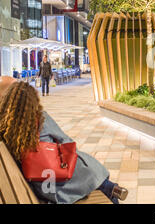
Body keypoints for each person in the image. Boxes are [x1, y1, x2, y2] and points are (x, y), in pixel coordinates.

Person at [0, 79, 128, 204]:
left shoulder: (6, 129)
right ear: (33, 101)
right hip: (63, 185)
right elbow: (67, 143)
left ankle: (112, 189)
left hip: (45, 187)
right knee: (94, 174)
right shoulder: (40, 119)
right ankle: (112, 190)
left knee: (95, 175)